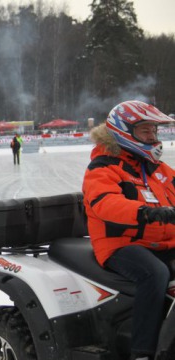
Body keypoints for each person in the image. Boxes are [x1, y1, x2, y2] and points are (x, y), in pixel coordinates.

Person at [83, 100, 175, 360]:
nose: (153, 137)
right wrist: (145, 212)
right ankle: (142, 352)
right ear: (124, 132)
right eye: (146, 131)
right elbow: (106, 203)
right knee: (154, 273)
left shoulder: (157, 169)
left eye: (154, 131)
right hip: (120, 244)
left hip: (161, 242)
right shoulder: (102, 167)